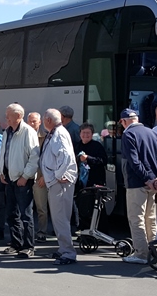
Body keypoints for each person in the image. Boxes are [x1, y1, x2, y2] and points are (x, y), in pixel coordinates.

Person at [119, 108, 157, 264]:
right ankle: (154, 251)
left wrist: (147, 178)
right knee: (151, 219)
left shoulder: (128, 134)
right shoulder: (152, 132)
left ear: (124, 121)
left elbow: (134, 161)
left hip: (137, 183)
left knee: (136, 219)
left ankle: (141, 254)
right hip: (155, 184)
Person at [0, 103, 40, 258]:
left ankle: (28, 246)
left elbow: (34, 157)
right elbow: (4, 153)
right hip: (9, 178)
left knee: (26, 215)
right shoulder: (7, 132)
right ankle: (16, 244)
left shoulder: (28, 132)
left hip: (22, 180)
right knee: (12, 214)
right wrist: (1, 172)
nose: (6, 117)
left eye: (8, 114)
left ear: (18, 116)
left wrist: (25, 176)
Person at [39, 109, 78, 266]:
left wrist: (56, 175)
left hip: (59, 182)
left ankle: (68, 252)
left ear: (48, 120)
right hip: (56, 181)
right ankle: (63, 248)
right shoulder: (56, 132)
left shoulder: (59, 134)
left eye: (43, 118)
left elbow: (66, 156)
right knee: (58, 217)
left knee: (60, 217)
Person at [75, 123, 109, 231]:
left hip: (95, 182)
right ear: (80, 134)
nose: (85, 135)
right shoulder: (76, 146)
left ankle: (101, 231)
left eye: (88, 133)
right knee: (82, 207)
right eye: (83, 132)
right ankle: (84, 231)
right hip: (81, 183)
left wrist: (88, 158)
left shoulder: (97, 146)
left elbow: (103, 161)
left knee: (97, 207)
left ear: (92, 134)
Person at [28, 111, 49, 243]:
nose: (31, 124)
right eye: (29, 121)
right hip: (25, 176)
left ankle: (42, 232)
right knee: (25, 208)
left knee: (41, 207)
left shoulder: (45, 137)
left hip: (40, 177)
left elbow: (47, 160)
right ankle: (27, 233)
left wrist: (44, 176)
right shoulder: (24, 136)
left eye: (34, 121)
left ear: (40, 122)